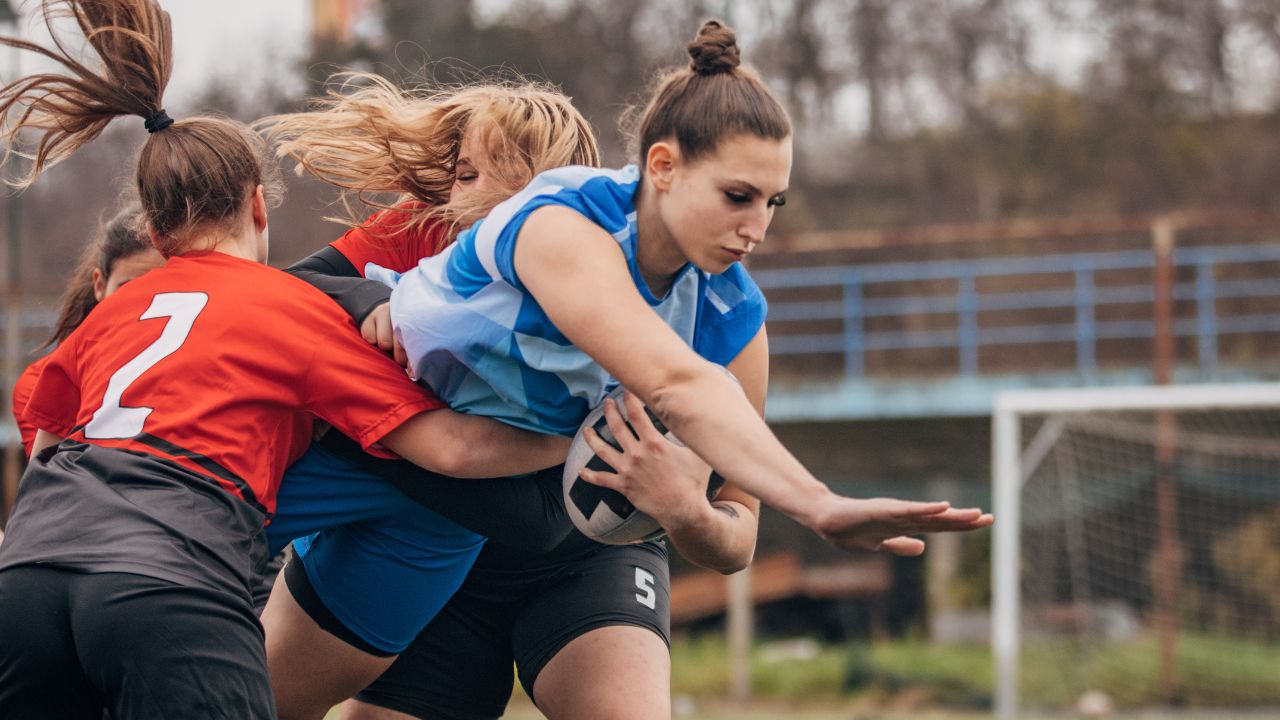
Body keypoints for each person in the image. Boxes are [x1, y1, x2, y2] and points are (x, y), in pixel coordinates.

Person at [273, 20, 992, 720]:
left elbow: (737, 534)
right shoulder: (557, 224)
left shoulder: (734, 317)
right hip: (429, 513)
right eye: (738, 197)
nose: (758, 229)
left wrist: (690, 510)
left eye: (773, 202)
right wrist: (820, 504)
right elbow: (678, 386)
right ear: (662, 167)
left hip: (585, 546)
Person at [0, 2, 567, 718]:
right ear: (259, 208)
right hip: (170, 579)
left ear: (152, 228)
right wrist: (574, 437)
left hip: (29, 578)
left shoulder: (115, 310)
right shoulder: (289, 304)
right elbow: (454, 448)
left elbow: (47, 433)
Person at [11, 204, 163, 459]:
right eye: (128, 290)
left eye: (158, 289)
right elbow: (50, 479)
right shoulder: (42, 383)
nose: (143, 306)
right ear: (100, 285)